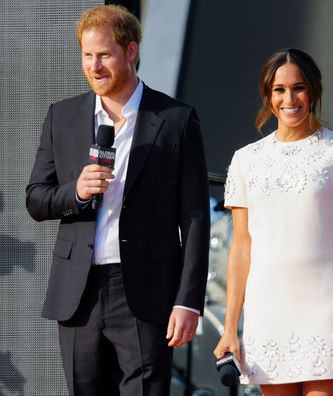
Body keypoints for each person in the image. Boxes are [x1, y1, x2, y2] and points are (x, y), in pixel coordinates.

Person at [26, 5, 210, 396]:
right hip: (79, 294)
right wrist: (75, 192)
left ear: (131, 51)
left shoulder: (175, 119)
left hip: (145, 291)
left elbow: (194, 217)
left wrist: (188, 301)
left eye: (104, 54)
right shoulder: (63, 116)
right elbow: (36, 199)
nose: (94, 66)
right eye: (87, 55)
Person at [214, 48, 333, 396]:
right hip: (268, 313)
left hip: (330, 310)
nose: (289, 98)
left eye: (298, 88)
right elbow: (241, 248)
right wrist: (231, 327)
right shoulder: (246, 160)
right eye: (279, 89)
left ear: (314, 91)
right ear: (267, 95)